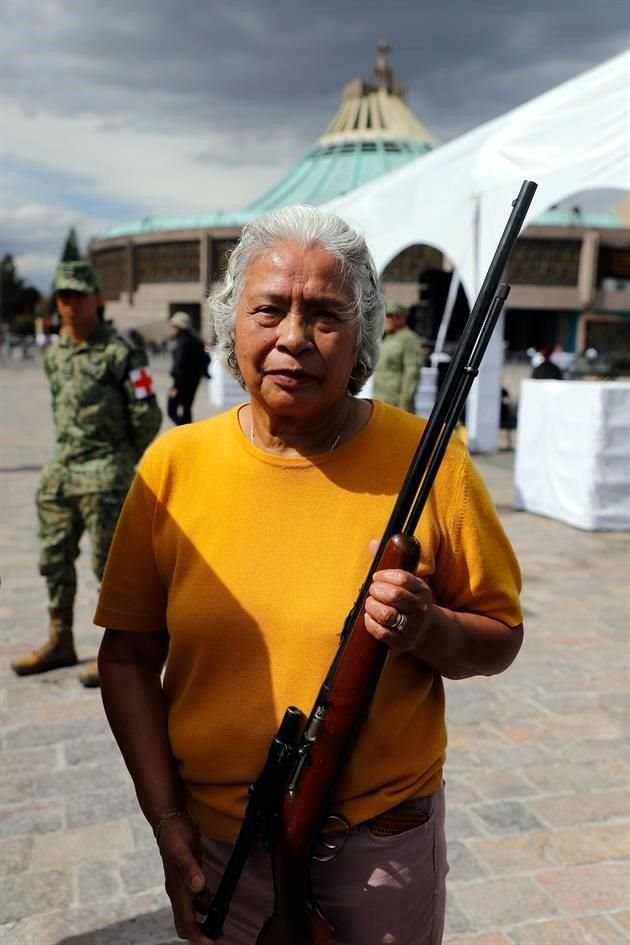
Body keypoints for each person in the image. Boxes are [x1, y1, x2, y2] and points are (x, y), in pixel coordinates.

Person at [94, 206, 523, 945]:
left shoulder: (433, 461)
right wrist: (167, 824)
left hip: (380, 855)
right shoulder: (172, 467)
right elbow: (128, 657)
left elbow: (500, 635)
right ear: (232, 322)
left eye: (325, 314)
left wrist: (429, 627)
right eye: (269, 309)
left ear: (361, 335)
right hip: (221, 855)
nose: (293, 337)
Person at [11, 261, 162, 688]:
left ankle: (115, 653)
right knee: (53, 560)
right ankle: (59, 639)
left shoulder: (122, 352)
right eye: (63, 296)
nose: (70, 304)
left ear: (98, 298)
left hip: (105, 476)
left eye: (79, 295)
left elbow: (147, 411)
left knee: (109, 569)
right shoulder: (55, 352)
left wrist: (119, 459)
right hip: (61, 473)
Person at [372, 301, 424, 412]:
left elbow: (412, 372)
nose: (385, 319)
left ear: (401, 318)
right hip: (381, 400)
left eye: (390, 316)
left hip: (396, 403)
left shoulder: (409, 339)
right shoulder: (388, 338)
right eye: (384, 315)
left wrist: (404, 403)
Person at [167, 311, 207, 425]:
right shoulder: (196, 340)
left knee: (171, 409)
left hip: (181, 383)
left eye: (174, 326)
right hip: (194, 381)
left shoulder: (183, 342)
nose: (172, 329)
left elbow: (180, 365)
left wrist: (176, 386)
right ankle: (187, 433)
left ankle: (183, 431)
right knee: (187, 408)